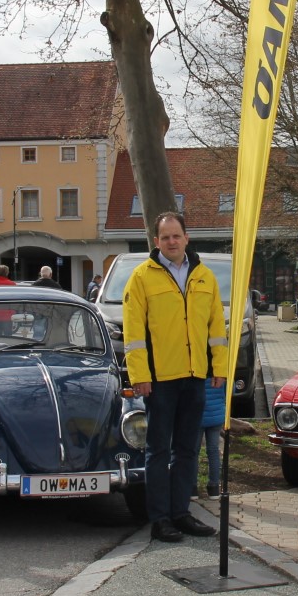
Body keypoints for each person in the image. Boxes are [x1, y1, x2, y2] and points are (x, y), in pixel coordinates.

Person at [124, 212, 229, 542]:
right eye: (165, 237)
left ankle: (182, 513)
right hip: (159, 379)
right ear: (156, 242)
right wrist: (140, 374)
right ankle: (160, 518)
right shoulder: (141, 278)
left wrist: (220, 368)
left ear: (187, 238)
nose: (171, 241)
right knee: (158, 451)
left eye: (176, 236)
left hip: (195, 375)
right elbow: (134, 333)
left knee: (187, 449)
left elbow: (216, 328)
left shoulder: (204, 277)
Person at [200, 379, 226, 499]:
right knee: (213, 451)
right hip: (216, 415)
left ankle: (192, 488)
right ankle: (214, 487)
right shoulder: (220, 372)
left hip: (198, 416)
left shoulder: (197, 371)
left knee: (193, 452)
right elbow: (231, 390)